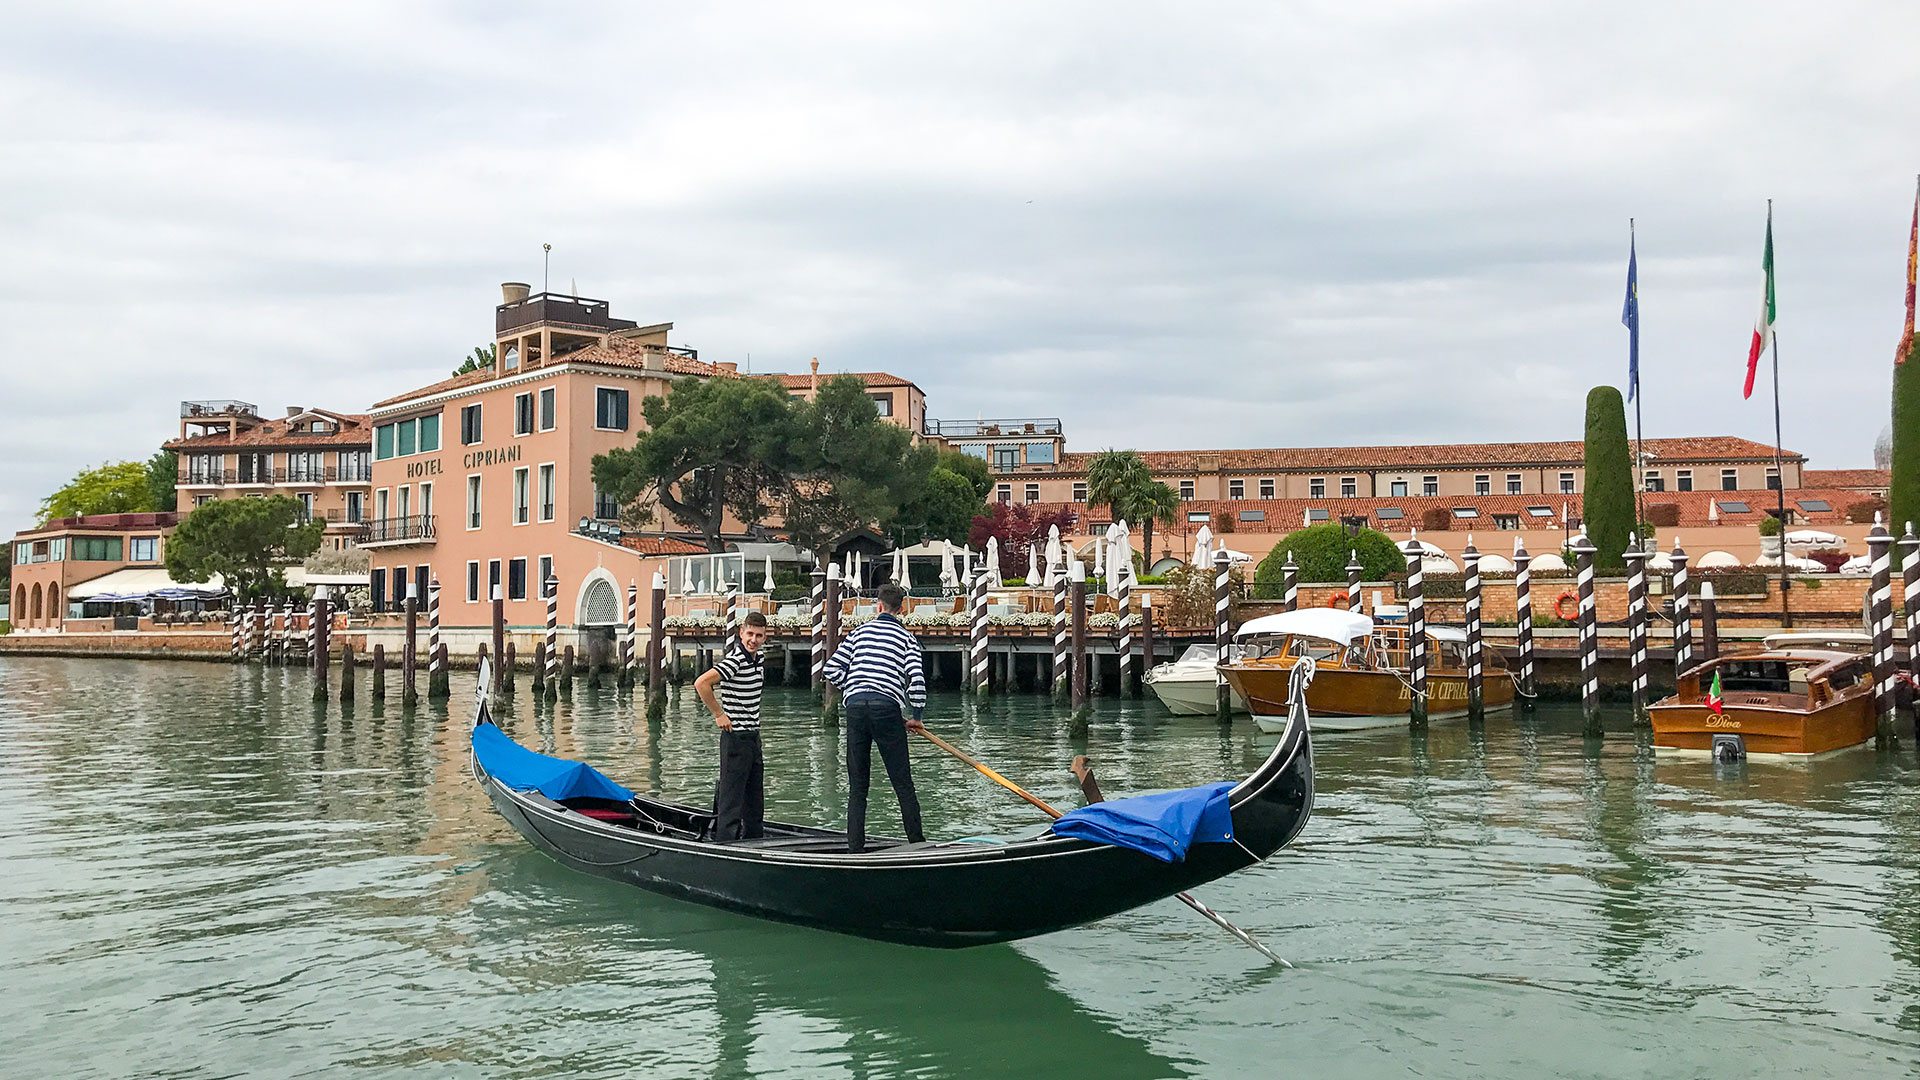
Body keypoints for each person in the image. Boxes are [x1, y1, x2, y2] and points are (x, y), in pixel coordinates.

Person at [822, 581, 926, 853]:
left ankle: (855, 849)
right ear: (901, 610)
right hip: (886, 708)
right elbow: (915, 680)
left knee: (858, 786)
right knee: (902, 782)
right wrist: (916, 716)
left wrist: (852, 688)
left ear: (877, 606)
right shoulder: (907, 638)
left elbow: (831, 669)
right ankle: (917, 844)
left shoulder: (858, 633)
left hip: (855, 709)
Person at [695, 610, 770, 841]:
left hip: (752, 737)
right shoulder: (735, 661)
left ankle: (754, 841)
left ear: (765, 637)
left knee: (755, 799)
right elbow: (701, 683)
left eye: (758, 635)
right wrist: (719, 714)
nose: (753, 640)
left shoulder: (759, 661)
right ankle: (725, 843)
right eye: (750, 634)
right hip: (735, 737)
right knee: (732, 799)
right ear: (741, 633)